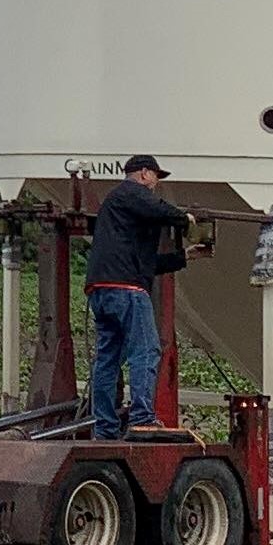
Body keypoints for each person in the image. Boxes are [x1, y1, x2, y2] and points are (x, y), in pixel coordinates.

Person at [84, 154, 193, 439]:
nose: (156, 184)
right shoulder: (131, 193)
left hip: (102, 290)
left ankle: (105, 428)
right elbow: (159, 209)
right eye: (156, 177)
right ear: (144, 173)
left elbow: (145, 264)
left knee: (108, 359)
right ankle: (143, 417)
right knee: (146, 350)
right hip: (127, 290)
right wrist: (186, 219)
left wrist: (183, 257)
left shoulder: (118, 210)